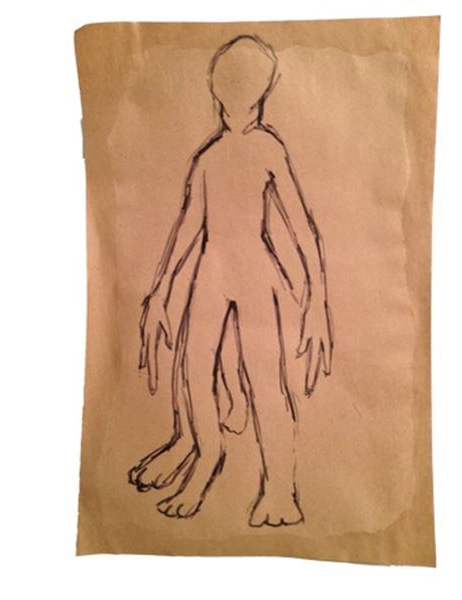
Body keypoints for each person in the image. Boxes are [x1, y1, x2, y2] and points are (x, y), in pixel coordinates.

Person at [128, 34, 333, 527]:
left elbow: (301, 226)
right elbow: (189, 226)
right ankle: (205, 457)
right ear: (216, 91)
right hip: (210, 272)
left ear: (261, 94)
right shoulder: (208, 157)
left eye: (243, 88)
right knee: (193, 370)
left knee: (265, 381)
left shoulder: (268, 148)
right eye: (226, 86)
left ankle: (280, 490)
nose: (234, 99)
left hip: (255, 274)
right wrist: (160, 291)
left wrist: (317, 298)